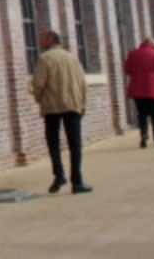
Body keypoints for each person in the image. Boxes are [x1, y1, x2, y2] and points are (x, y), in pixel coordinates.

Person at [30, 29, 92, 193]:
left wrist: (39, 98)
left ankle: (59, 175)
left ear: (51, 39)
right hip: (73, 104)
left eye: (43, 39)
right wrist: (83, 104)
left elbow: (38, 83)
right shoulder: (72, 58)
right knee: (75, 143)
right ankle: (77, 181)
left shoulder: (45, 58)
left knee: (53, 142)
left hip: (52, 106)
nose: (40, 42)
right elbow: (82, 82)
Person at [124, 37, 154, 148]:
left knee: (142, 114)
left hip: (138, 87)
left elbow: (127, 69)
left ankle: (144, 135)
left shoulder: (132, 54)